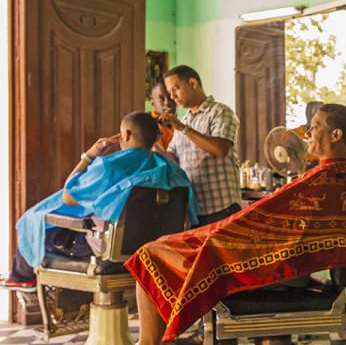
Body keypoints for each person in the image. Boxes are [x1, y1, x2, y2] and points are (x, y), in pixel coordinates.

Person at [82, 104, 346, 345]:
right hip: (285, 265)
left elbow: (276, 231)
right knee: (164, 248)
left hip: (280, 271)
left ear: (335, 135)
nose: (307, 134)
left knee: (151, 254)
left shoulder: (327, 179)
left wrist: (218, 236)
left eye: (314, 128)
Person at [0, 112, 197, 290]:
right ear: (155, 138)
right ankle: (22, 275)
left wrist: (90, 156)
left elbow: (68, 196)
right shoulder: (174, 172)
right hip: (154, 254)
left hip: (109, 253)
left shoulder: (109, 166)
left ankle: (22, 276)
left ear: (126, 135)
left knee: (41, 225)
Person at [161, 65, 242, 226]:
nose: (172, 96)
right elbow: (172, 158)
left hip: (222, 208)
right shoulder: (183, 122)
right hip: (194, 212)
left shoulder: (220, 112)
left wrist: (183, 129)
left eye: (176, 89)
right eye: (170, 92)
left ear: (193, 83)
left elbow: (220, 149)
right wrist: (151, 142)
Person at [149, 82, 177, 151]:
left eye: (170, 98)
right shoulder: (146, 124)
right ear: (152, 103)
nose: (167, 103)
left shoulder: (183, 125)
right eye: (161, 99)